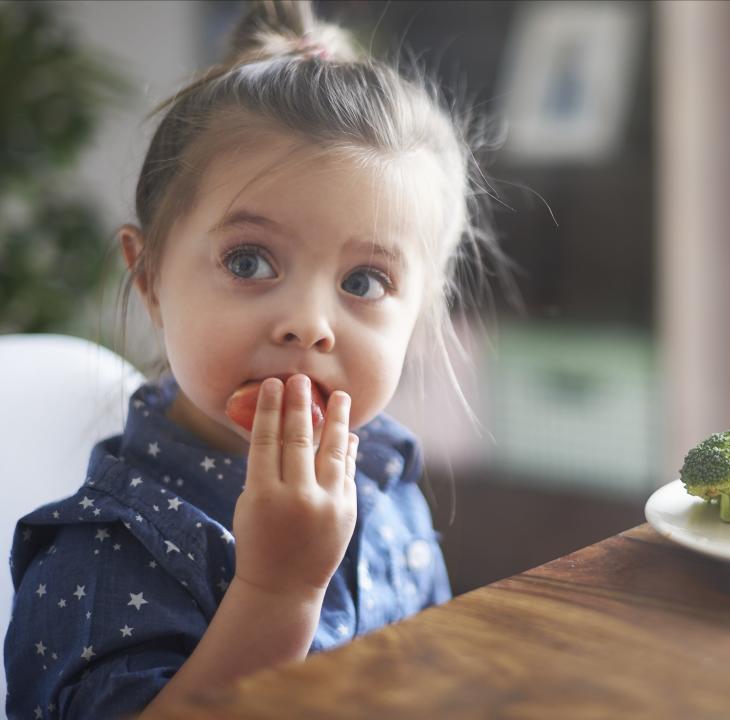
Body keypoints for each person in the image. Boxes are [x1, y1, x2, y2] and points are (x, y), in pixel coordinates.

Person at [4, 1, 503, 716]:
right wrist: (278, 591)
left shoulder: (386, 478)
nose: (307, 324)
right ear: (149, 281)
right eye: (249, 261)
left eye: (364, 282)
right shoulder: (105, 552)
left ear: (419, 320)